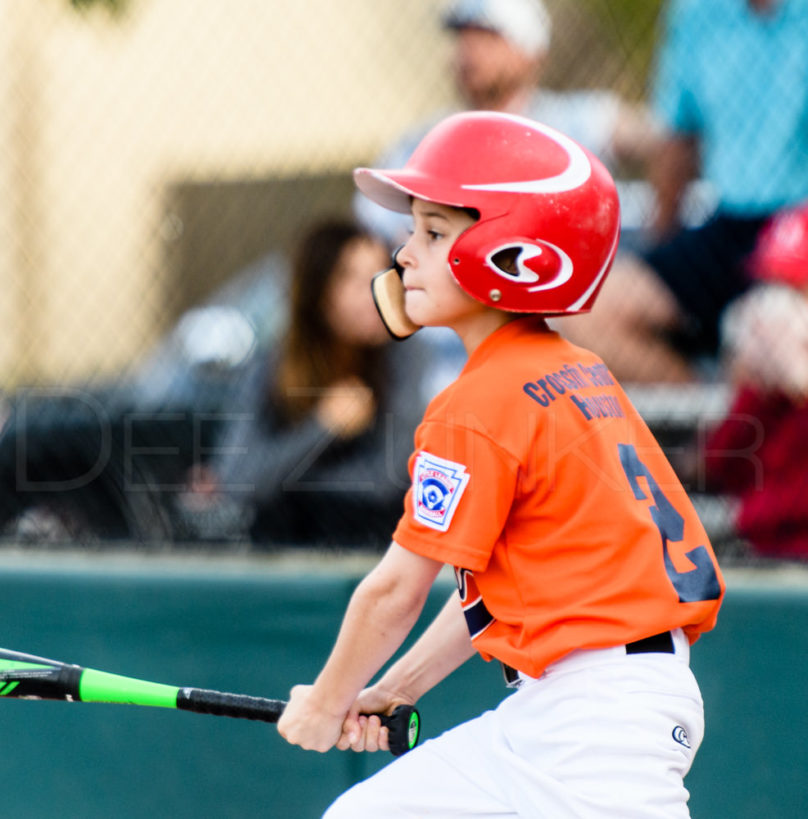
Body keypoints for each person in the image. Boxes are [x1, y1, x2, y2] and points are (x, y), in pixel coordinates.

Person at [277, 112, 725, 817]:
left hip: (595, 724)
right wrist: (396, 687)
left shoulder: (478, 401)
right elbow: (488, 593)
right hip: (574, 705)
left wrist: (325, 701)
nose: (404, 254)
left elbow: (392, 592)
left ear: (513, 253)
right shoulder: (575, 370)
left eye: (434, 231)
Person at [564, 0, 808, 382]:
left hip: (799, 226)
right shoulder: (696, 12)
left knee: (768, 332)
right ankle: (710, 424)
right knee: (582, 313)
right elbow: (678, 142)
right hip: (728, 225)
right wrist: (661, 244)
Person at [182, 219, 425, 548]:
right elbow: (237, 480)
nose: (374, 293)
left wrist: (280, 484)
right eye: (352, 279)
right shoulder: (274, 364)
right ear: (317, 290)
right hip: (292, 552)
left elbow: (384, 480)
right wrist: (322, 428)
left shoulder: (406, 353)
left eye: (381, 274)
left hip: (377, 548)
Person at [354, 0, 660, 250]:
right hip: (443, 321)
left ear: (531, 52)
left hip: (560, 318)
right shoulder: (425, 139)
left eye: (487, 37)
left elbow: (657, 138)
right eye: (463, 38)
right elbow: (370, 223)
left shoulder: (573, 120)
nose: (469, 51)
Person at [702, 202, 808, 560]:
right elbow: (721, 464)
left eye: (795, 290)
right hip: (766, 550)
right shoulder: (764, 387)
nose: (775, 305)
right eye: (770, 284)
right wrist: (749, 383)